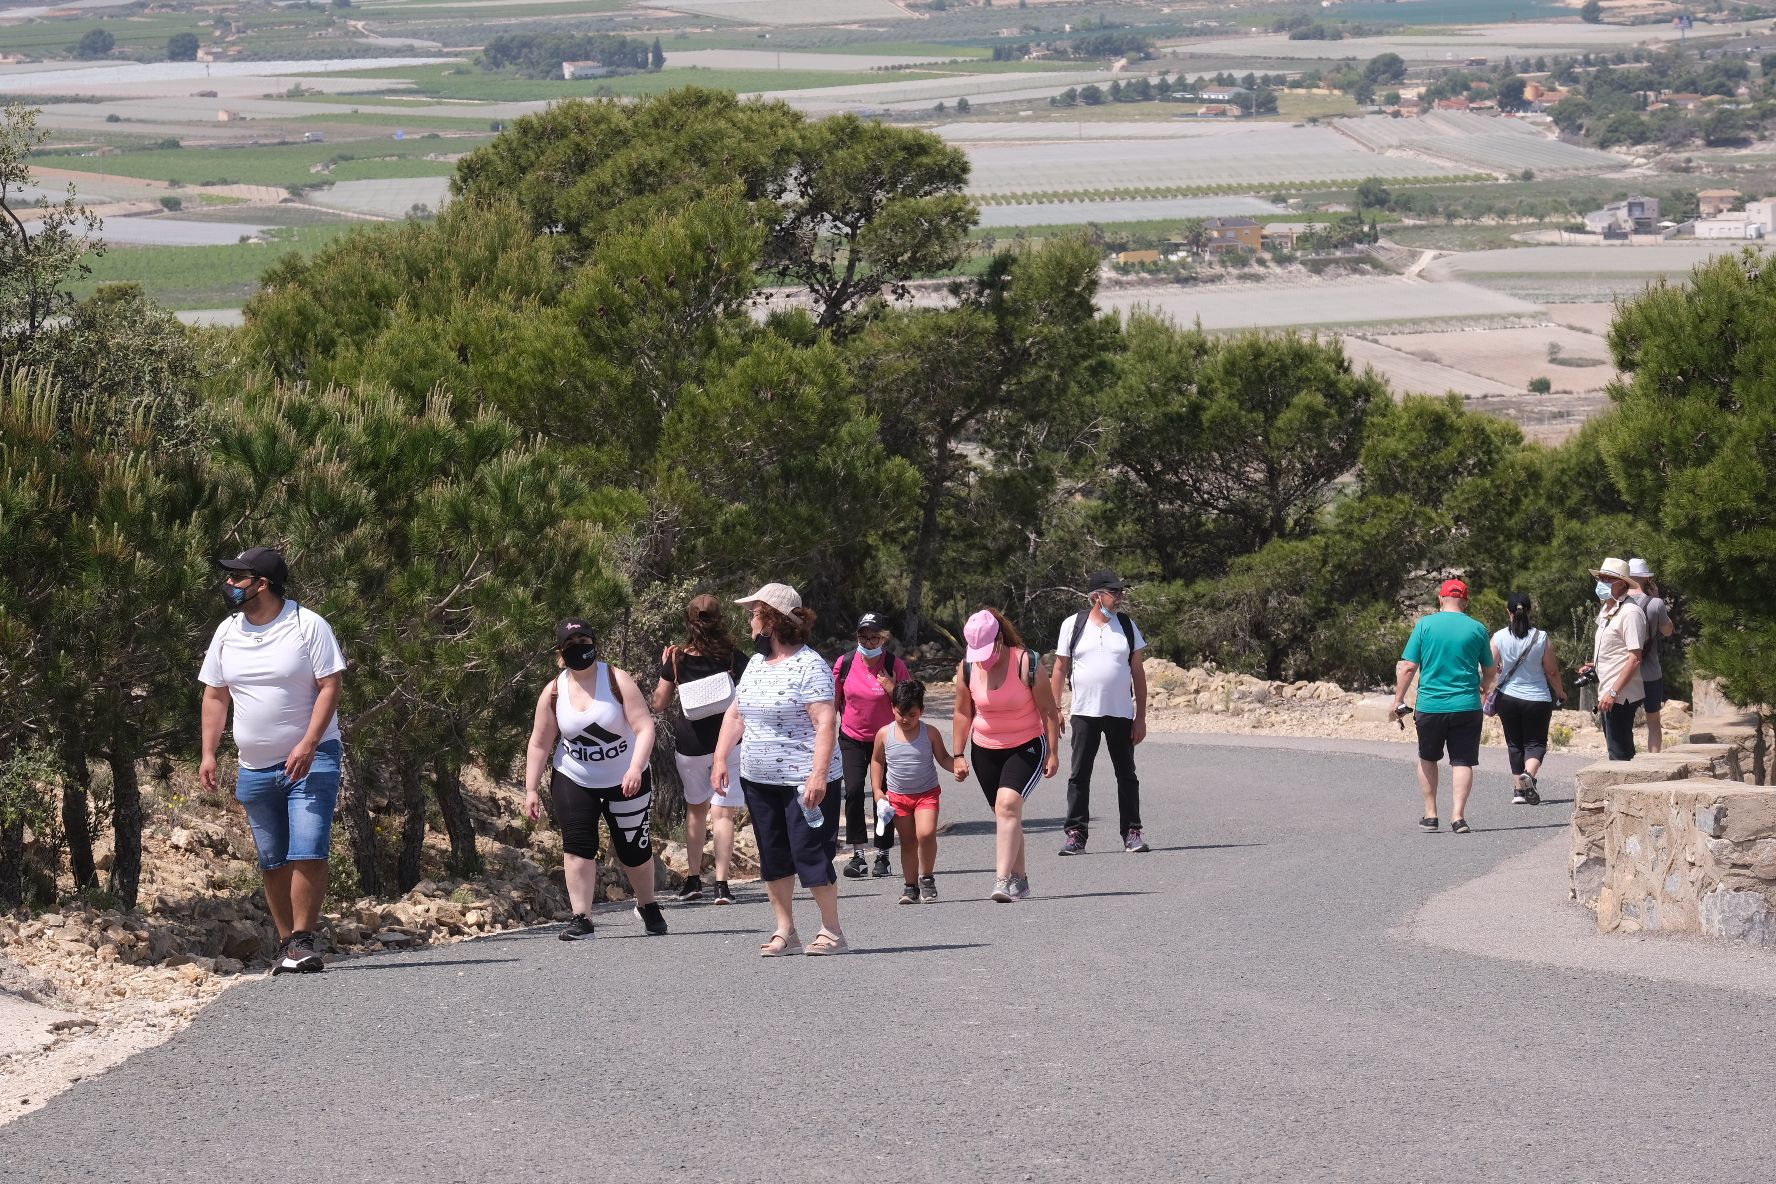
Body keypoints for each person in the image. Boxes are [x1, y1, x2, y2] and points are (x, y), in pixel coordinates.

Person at [197, 546, 346, 976]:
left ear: (262, 584)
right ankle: (287, 945)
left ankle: (303, 939)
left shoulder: (307, 625)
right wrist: (209, 753)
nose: (229, 585)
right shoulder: (227, 632)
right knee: (273, 858)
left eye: (237, 578)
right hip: (254, 764)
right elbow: (215, 694)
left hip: (311, 758)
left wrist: (309, 742)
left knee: (309, 848)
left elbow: (330, 686)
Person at [712, 582, 848, 957]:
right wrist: (721, 757)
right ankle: (785, 931)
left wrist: (818, 774)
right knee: (773, 855)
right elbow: (737, 714)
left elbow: (825, 723)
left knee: (810, 853)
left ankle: (832, 931)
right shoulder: (755, 664)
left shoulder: (810, 665)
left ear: (772, 620)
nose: (750, 623)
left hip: (803, 782)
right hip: (759, 780)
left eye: (754, 614)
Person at [523, 618, 667, 941]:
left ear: (594, 643)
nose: (579, 649)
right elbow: (540, 742)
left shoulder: (616, 680)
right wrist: (531, 788)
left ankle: (648, 904)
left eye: (584, 641)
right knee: (577, 845)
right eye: (571, 645)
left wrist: (635, 767)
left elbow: (645, 727)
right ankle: (582, 918)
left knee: (634, 851)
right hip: (574, 777)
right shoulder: (554, 691)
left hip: (627, 777)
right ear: (561, 653)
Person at [953, 607, 1062, 902]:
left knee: (1007, 804)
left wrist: (1053, 752)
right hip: (985, 748)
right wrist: (958, 754)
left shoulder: (1025, 661)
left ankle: (1001, 880)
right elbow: (963, 713)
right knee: (1006, 814)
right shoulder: (967, 667)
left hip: (1026, 744)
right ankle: (1021, 880)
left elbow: (1049, 712)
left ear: (999, 639)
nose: (983, 658)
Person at [651, 595, 750, 905]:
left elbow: (659, 703)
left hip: (690, 744)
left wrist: (666, 666)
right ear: (720, 619)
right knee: (724, 813)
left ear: (689, 622)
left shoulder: (677, 658)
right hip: (728, 742)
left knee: (696, 810)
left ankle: (693, 880)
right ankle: (721, 885)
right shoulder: (734, 657)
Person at [1050, 570, 1150, 856]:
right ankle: (1076, 834)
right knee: (1080, 774)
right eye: (1113, 592)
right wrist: (1055, 709)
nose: (1119, 597)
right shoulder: (1073, 624)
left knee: (1126, 774)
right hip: (1084, 712)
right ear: (1096, 595)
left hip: (1120, 713)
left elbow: (1138, 673)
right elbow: (1059, 668)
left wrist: (1140, 716)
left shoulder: (1128, 626)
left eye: (1120, 592)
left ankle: (1132, 832)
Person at [1392, 578, 1495, 835]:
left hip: (1431, 705)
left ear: (1441, 598)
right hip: (1467, 705)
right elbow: (1490, 669)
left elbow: (1408, 667)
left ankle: (1431, 814)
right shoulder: (1478, 629)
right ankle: (1458, 816)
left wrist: (1398, 700)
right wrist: (1484, 685)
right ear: (1466, 601)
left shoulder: (1425, 625)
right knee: (1462, 761)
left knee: (1428, 757)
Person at [870, 680, 967, 904]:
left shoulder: (930, 732)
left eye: (912, 715)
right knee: (908, 841)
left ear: (921, 711)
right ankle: (910, 887)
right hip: (897, 797)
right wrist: (877, 790)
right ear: (892, 708)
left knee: (925, 834)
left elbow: (943, 758)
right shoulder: (885, 734)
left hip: (926, 794)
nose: (905, 719)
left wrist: (957, 766)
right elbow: (877, 761)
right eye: (900, 713)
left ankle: (927, 877)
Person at [834, 612, 910, 880]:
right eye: (863, 637)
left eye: (874, 637)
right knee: (853, 791)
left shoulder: (894, 664)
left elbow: (910, 705)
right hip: (852, 738)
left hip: (886, 740)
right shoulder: (844, 663)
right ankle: (858, 855)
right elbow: (833, 702)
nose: (868, 642)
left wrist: (892, 689)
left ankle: (883, 855)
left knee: (885, 796)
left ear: (883, 637)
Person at [1489, 593, 1564, 806]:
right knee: (1536, 742)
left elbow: (1489, 668)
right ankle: (1529, 775)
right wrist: (1560, 692)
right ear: (1529, 611)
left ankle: (1519, 791)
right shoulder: (1541, 637)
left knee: (1514, 743)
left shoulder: (1499, 637)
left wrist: (1485, 690)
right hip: (1537, 698)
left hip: (1508, 698)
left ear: (1508, 612)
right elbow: (1551, 671)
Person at [1582, 557, 1648, 763]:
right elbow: (1616, 649)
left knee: (1620, 754)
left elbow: (1635, 658)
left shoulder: (1631, 612)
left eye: (1606, 579)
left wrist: (1613, 692)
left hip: (1620, 694)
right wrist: (1597, 665)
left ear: (1621, 583)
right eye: (1600, 578)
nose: (1600, 583)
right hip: (1609, 690)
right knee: (1618, 750)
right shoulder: (1607, 611)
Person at [1626, 558, 1675, 754]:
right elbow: (1668, 630)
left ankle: (1624, 759)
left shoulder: (1619, 602)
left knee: (1623, 722)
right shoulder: (1656, 604)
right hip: (1650, 672)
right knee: (1653, 721)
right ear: (1647, 579)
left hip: (1625, 673)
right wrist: (1658, 598)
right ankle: (1654, 761)